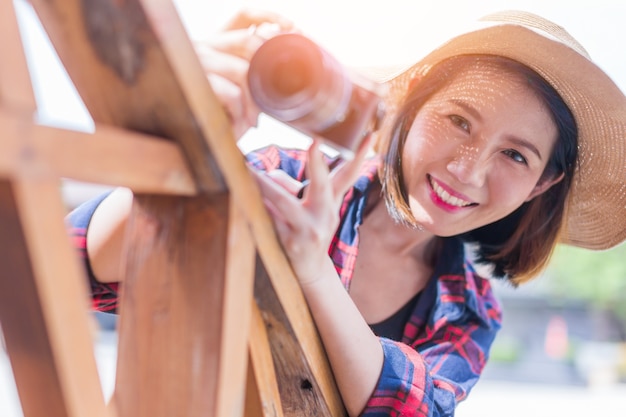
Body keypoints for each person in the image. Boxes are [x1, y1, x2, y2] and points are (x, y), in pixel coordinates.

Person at [67, 9, 626, 417]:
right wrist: (192, 150)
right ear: (411, 103)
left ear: (541, 183)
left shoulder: (469, 313)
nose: (467, 169)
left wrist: (311, 269)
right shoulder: (286, 180)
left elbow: (407, 409)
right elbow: (77, 266)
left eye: (514, 154)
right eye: (458, 120)